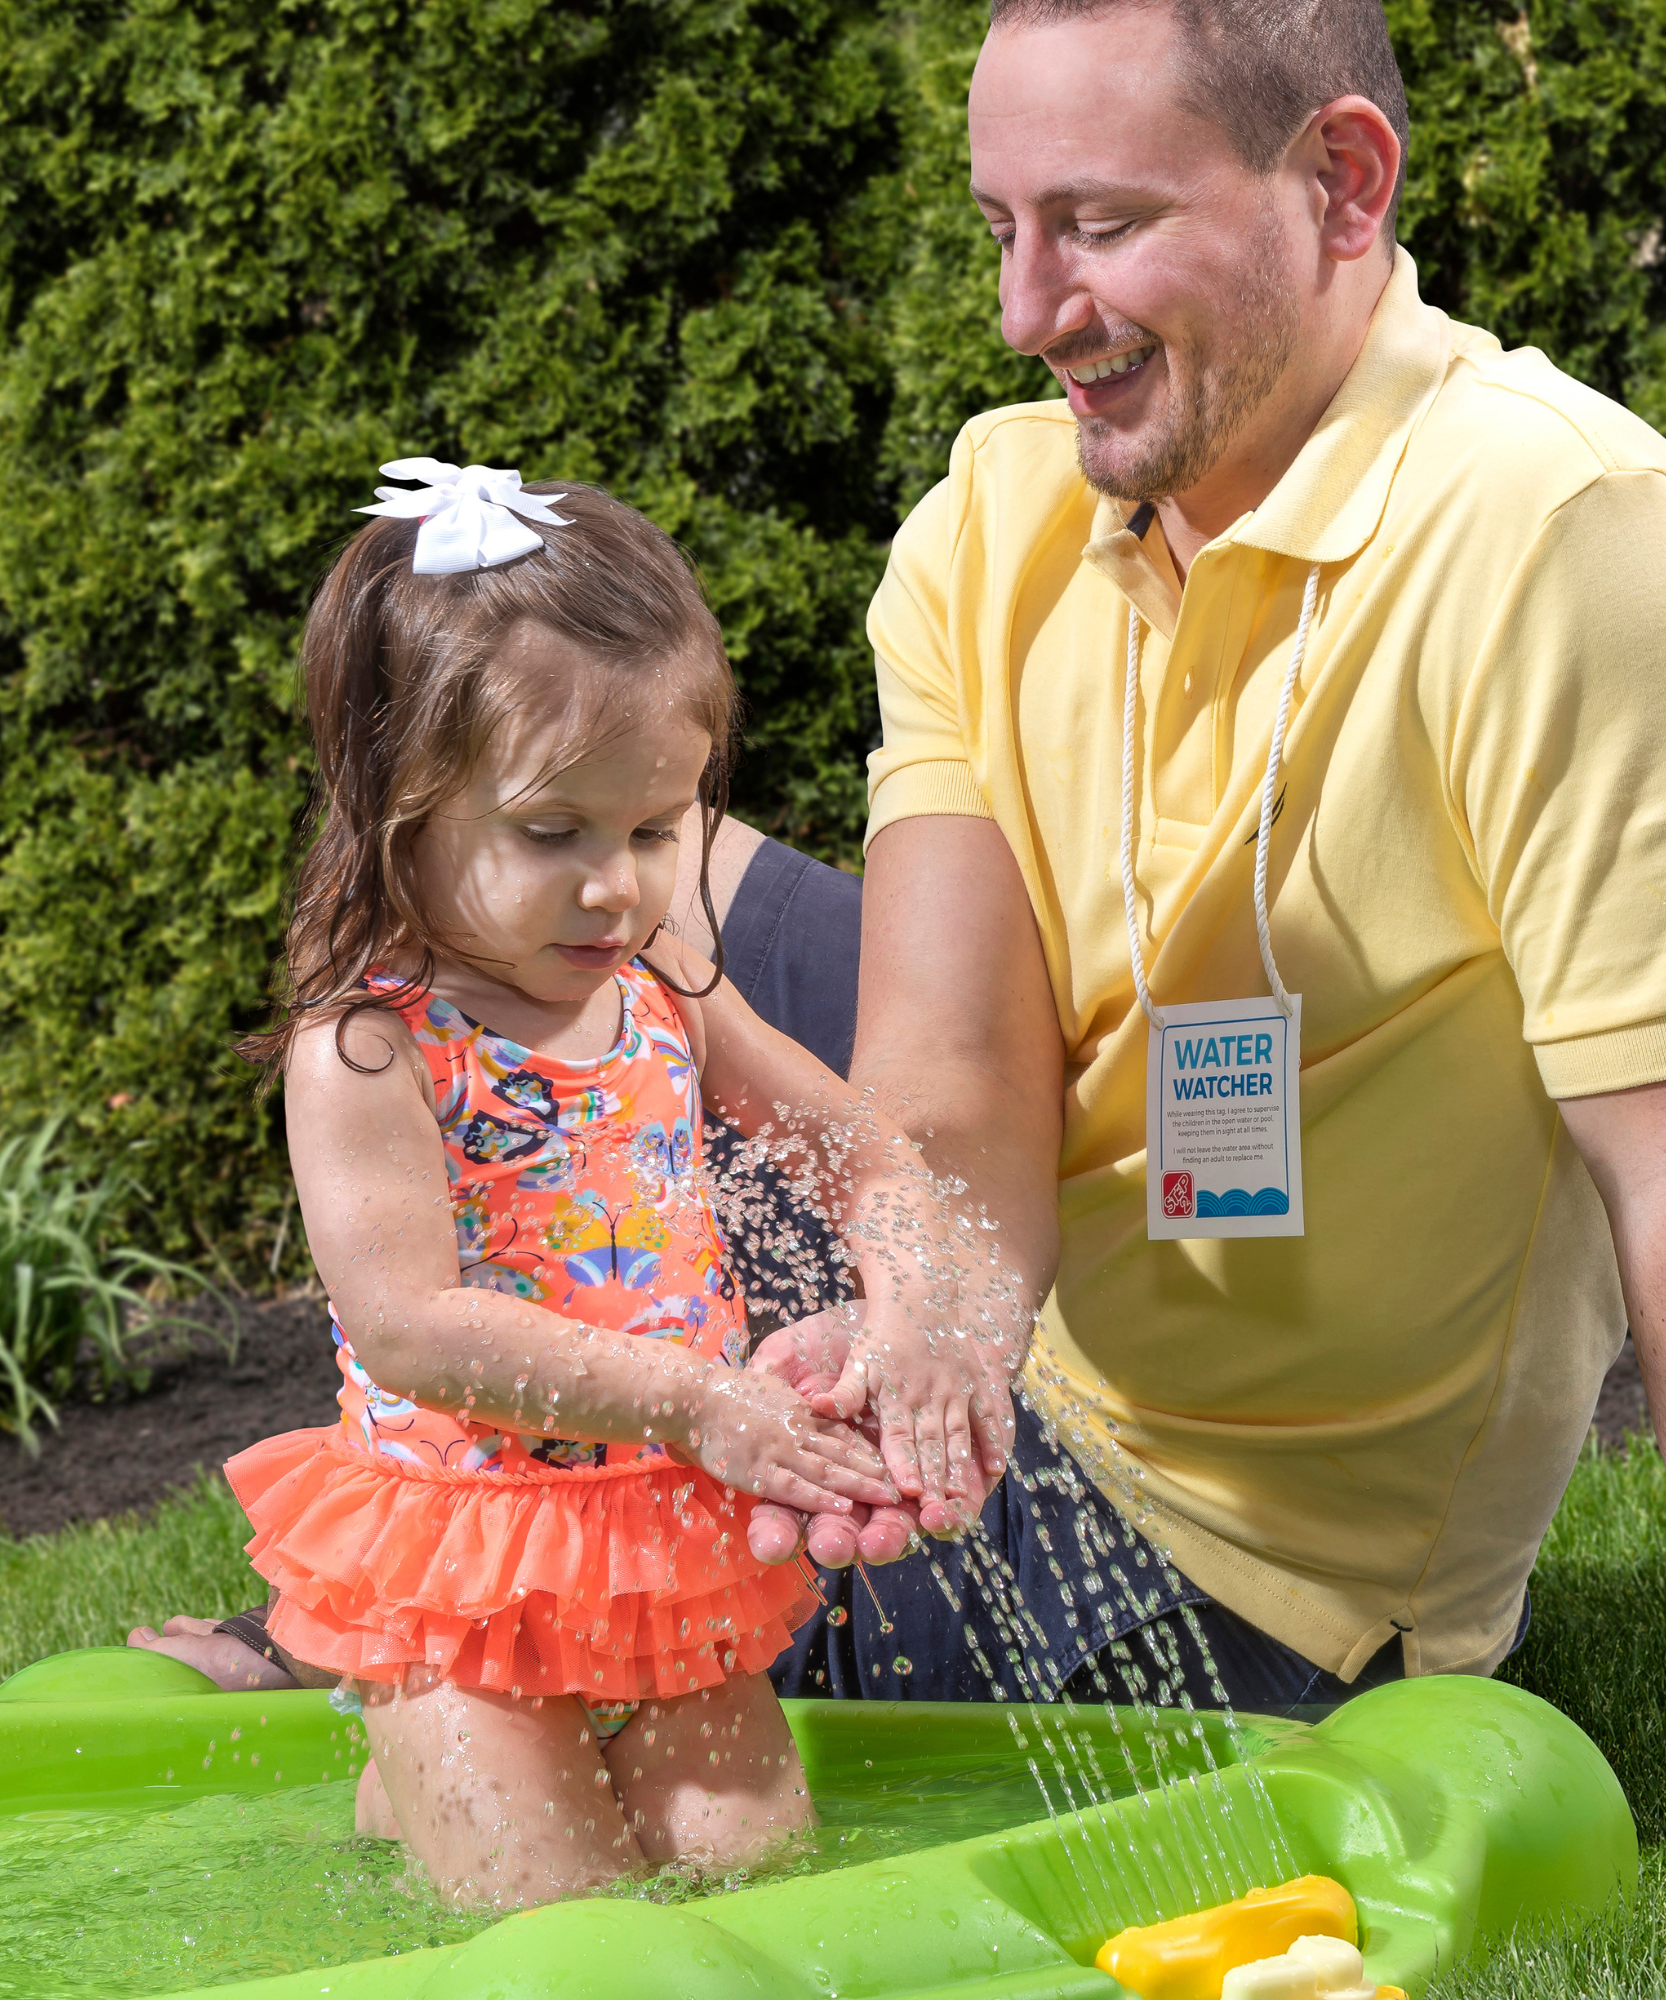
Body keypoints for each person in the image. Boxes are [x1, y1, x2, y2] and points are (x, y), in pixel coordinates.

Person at [829, 0, 1666, 1706]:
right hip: (1035, 1391)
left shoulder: (1558, 534)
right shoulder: (989, 517)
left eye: (1101, 225)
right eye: (1002, 230)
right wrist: (936, 1335)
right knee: (595, 878)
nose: (1021, 314)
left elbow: (1657, 1163)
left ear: (1342, 182)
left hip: (1277, 1573)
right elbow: (955, 1058)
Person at [206, 462, 1013, 1906]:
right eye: (550, 834)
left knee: (750, 1880)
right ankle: (422, 1755)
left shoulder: (668, 998)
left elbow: (865, 1154)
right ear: (402, 799)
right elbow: (411, 1327)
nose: (615, 889)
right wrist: (704, 1404)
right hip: (457, 1559)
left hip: (656, 1533)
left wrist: (915, 1319)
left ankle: (422, 1791)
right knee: (553, 1919)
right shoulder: (373, 1051)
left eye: (655, 832)